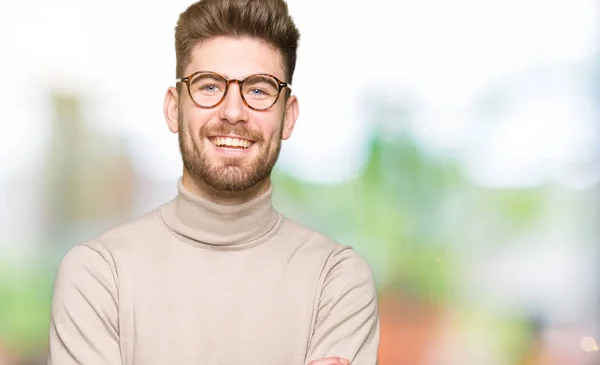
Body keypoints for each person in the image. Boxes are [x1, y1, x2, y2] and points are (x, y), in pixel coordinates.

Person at [46, 0, 380, 364]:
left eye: (258, 90)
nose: (233, 112)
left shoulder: (337, 279)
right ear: (174, 108)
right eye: (208, 87)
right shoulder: (97, 274)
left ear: (289, 116)